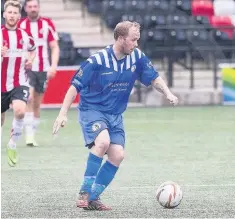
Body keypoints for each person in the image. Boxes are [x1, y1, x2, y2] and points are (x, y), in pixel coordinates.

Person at [52, 21, 178, 210]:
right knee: (102, 142)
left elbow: (153, 77)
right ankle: (84, 192)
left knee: (118, 155)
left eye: (138, 40)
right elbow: (74, 87)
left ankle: (93, 198)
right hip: (92, 110)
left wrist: (168, 93)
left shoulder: (137, 57)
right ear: (120, 38)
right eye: (133, 40)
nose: (136, 44)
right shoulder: (97, 60)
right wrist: (62, 114)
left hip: (115, 115)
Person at [17, 0, 60, 146]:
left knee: (36, 102)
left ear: (39, 8)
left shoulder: (47, 23)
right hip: (26, 68)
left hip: (43, 68)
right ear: (26, 9)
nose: (33, 9)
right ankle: (28, 136)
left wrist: (53, 66)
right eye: (30, 6)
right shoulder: (21, 25)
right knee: (28, 98)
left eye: (35, 6)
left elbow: (54, 47)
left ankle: (32, 134)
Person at [1, 0, 36, 167]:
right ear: (4, 14)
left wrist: (30, 60)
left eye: (15, 13)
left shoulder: (24, 36)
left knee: (20, 111)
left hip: (19, 82)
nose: (12, 15)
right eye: (10, 12)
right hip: (1, 83)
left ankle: (13, 144)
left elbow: (33, 49)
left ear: (19, 16)